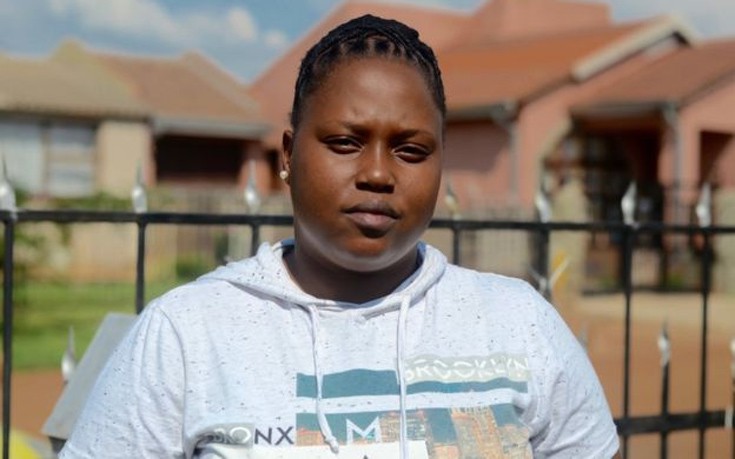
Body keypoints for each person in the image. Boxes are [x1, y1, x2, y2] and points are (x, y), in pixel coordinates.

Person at [61, 14, 619, 459]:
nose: (377, 173)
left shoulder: (519, 324)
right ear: (288, 155)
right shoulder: (189, 333)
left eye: (411, 150)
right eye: (345, 143)